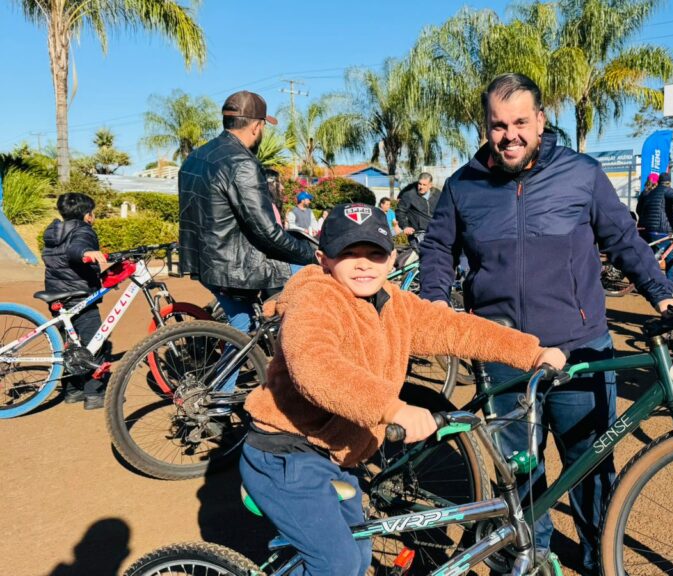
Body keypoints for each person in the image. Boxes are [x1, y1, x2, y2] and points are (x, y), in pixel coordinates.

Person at [418, 73, 673, 574]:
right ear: (486, 127)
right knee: (519, 469)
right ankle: (530, 554)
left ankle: (601, 557)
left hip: (580, 347)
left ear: (539, 120)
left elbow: (623, 240)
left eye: (519, 122)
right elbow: (437, 248)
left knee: (590, 463)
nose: (509, 135)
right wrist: (434, 300)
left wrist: (663, 295)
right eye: (498, 125)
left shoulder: (581, 174)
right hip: (502, 352)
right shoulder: (462, 186)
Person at [240, 203, 566, 576]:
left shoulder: (393, 304)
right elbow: (316, 366)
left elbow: (454, 328)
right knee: (337, 563)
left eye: (375, 253)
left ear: (393, 258)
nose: (363, 264)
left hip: (333, 454)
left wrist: (532, 353)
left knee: (358, 553)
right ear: (323, 259)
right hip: (286, 453)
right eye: (348, 253)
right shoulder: (316, 299)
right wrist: (393, 409)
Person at [178, 90, 317, 391]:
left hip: (205, 262)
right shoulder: (242, 162)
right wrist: (309, 254)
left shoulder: (195, 157)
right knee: (315, 281)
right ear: (256, 126)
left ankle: (219, 398)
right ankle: (309, 371)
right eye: (263, 127)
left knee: (241, 328)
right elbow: (266, 232)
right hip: (236, 266)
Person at [41, 193, 109, 410]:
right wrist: (87, 252)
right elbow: (75, 250)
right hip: (79, 296)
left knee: (69, 345)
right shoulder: (83, 230)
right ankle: (94, 393)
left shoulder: (54, 231)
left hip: (57, 295)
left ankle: (73, 390)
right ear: (87, 215)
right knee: (95, 343)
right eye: (93, 212)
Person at [635, 170, 673, 281]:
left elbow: (640, 210)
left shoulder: (648, 193)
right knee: (669, 258)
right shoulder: (667, 191)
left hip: (646, 229)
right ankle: (670, 284)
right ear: (669, 183)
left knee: (651, 256)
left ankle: (646, 279)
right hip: (660, 230)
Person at [396, 172, 440, 250]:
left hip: (436, 232)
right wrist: (405, 226)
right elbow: (400, 211)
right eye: (420, 184)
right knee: (423, 256)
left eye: (424, 185)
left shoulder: (438, 194)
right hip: (418, 234)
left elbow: (444, 211)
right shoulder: (409, 195)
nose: (421, 187)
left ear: (430, 185)